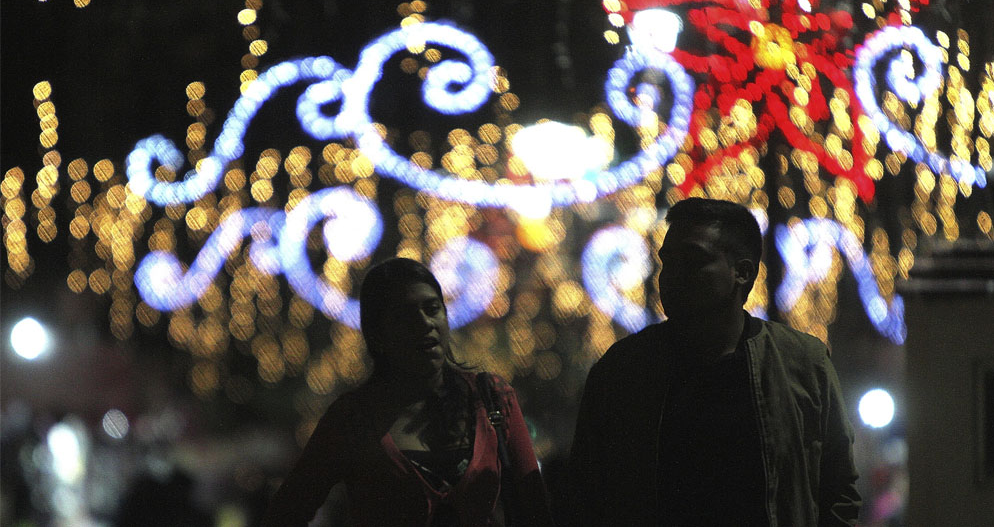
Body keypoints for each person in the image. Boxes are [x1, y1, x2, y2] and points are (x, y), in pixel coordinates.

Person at [569, 198, 861, 526]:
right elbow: (586, 495)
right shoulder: (622, 372)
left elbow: (838, 490)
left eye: (693, 261)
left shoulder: (803, 364)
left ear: (743, 272)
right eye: (668, 262)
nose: (671, 276)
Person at [262, 257, 552, 526]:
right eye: (405, 316)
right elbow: (286, 512)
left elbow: (536, 508)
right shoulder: (352, 419)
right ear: (377, 334)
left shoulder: (491, 399)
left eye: (432, 309)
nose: (425, 323)